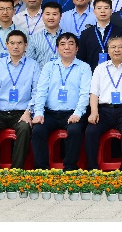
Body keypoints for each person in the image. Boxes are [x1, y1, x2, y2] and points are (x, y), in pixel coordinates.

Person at [30, 32, 92, 171]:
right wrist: (38, 113)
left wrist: (77, 113)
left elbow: (84, 94)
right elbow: (41, 91)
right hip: (50, 113)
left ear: (77, 48)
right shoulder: (49, 67)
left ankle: (70, 168)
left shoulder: (84, 67)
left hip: (72, 113)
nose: (67, 47)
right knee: (38, 130)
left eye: (71, 44)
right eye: (62, 44)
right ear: (57, 48)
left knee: (75, 131)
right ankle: (41, 169)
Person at [0, 30, 39, 170]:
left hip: (21, 112)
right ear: (6, 45)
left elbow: (37, 92)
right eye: (12, 43)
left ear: (25, 45)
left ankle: (16, 171)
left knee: (25, 128)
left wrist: (29, 112)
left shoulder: (33, 65)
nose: (15, 46)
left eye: (19, 43)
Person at [85, 34, 122, 171]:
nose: (116, 50)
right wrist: (94, 112)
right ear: (108, 50)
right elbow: (94, 93)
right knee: (90, 131)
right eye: (113, 47)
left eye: (120, 47)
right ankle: (92, 169)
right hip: (104, 111)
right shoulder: (100, 69)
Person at [78, 0, 122, 71]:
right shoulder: (86, 34)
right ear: (94, 11)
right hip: (91, 73)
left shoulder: (120, 32)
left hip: (115, 72)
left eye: (106, 8)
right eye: (99, 8)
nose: (102, 11)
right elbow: (81, 57)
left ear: (111, 11)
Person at [26, 2, 63, 68]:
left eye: (54, 14)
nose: (51, 17)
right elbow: (29, 62)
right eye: (47, 14)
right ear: (42, 16)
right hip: (41, 74)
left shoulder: (69, 38)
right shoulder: (34, 38)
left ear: (60, 16)